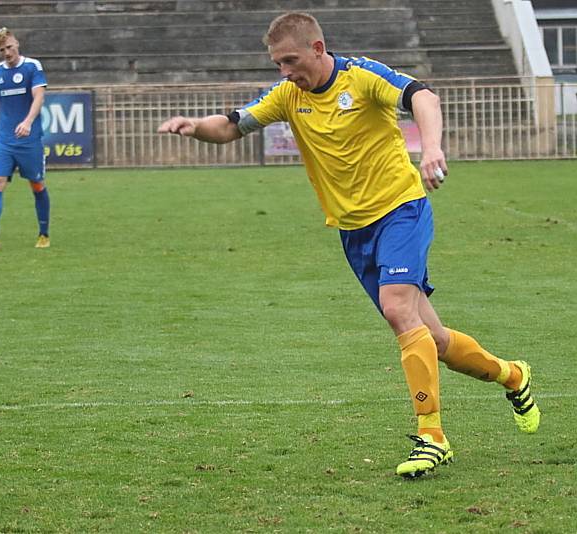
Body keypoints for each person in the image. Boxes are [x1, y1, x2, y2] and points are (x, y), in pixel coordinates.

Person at [158, 12, 541, 478]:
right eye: (278, 64)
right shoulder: (287, 96)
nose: (285, 72)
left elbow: (422, 95)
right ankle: (513, 375)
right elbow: (234, 125)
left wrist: (432, 148)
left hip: (401, 210)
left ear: (318, 49)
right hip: (354, 232)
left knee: (398, 309)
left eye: (291, 61)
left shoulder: (361, 77)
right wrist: (194, 126)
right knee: (432, 339)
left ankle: (432, 436)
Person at [0, 27, 50, 250]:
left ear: (17, 43)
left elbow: (39, 97)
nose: (7, 52)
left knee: (37, 184)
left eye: (9, 46)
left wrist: (27, 122)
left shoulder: (32, 66)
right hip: (5, 140)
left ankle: (43, 233)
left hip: (29, 139)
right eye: (2, 49)